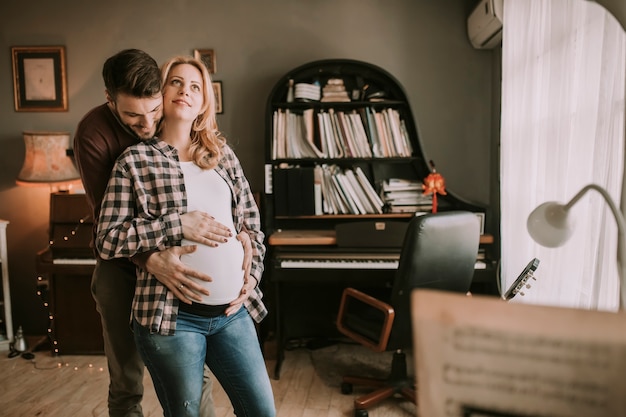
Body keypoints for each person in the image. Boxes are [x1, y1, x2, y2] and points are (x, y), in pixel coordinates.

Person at [95, 55, 275, 417]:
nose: (185, 91)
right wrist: (175, 225)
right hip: (172, 318)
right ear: (159, 92)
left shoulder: (222, 156)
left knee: (262, 411)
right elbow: (107, 238)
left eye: (195, 86)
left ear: (204, 101)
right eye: (176, 82)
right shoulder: (134, 161)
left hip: (232, 313)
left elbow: (253, 227)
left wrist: (251, 275)